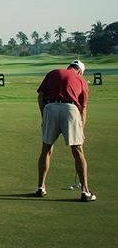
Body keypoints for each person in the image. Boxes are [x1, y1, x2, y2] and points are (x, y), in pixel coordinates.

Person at [34, 60, 96, 201]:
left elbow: (40, 98)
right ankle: (85, 192)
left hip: (50, 108)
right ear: (80, 71)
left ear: (69, 67)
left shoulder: (53, 73)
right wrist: (82, 129)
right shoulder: (81, 80)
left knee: (46, 149)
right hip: (70, 109)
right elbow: (83, 109)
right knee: (77, 150)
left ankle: (40, 187)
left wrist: (45, 117)